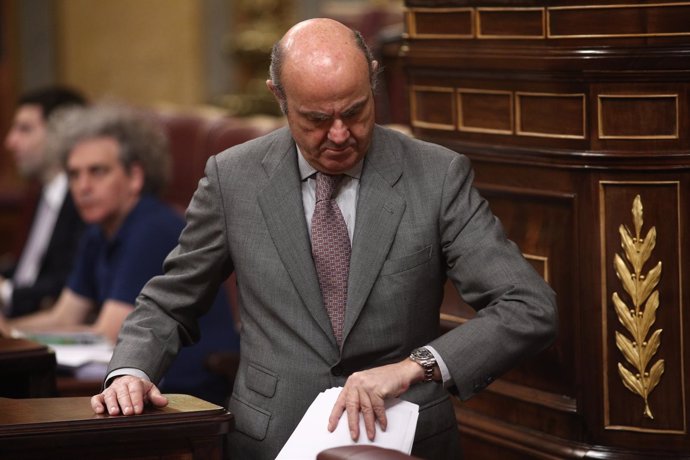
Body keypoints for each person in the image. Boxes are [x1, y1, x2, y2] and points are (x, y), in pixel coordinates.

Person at [91, 18, 558, 459]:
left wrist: (415, 366)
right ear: (278, 96)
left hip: (405, 441)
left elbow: (529, 306)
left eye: (355, 112)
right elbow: (170, 302)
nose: (339, 135)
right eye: (316, 119)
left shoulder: (436, 176)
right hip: (269, 441)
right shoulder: (233, 178)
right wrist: (131, 371)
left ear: (373, 79)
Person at [4, 103, 238, 405]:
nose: (83, 187)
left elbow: (107, 333)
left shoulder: (151, 227)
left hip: (182, 390)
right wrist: (9, 332)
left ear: (135, 176)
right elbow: (63, 315)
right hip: (131, 386)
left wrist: (18, 337)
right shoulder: (97, 231)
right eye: (74, 175)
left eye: (97, 172)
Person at [1, 86, 87, 318]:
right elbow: (29, 269)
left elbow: (71, 281)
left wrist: (6, 292)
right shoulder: (39, 193)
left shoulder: (86, 199)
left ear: (62, 134)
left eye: (25, 129)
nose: (10, 142)